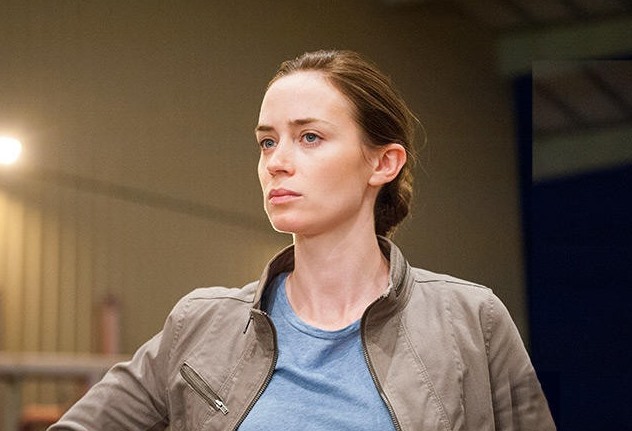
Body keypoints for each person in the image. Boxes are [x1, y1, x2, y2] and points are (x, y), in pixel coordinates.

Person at [50, 50, 555, 430]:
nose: (276, 161)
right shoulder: (201, 325)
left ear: (383, 163)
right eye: (267, 141)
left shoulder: (470, 320)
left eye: (309, 137)